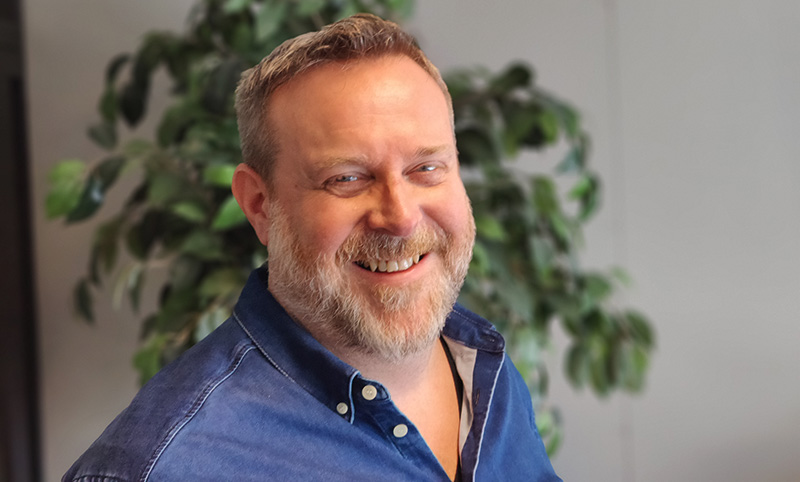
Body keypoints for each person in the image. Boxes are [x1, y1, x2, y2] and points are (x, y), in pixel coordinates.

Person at [63, 13, 560, 482]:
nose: (402, 217)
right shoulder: (161, 467)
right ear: (259, 205)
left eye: (426, 169)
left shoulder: (487, 373)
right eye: (346, 178)